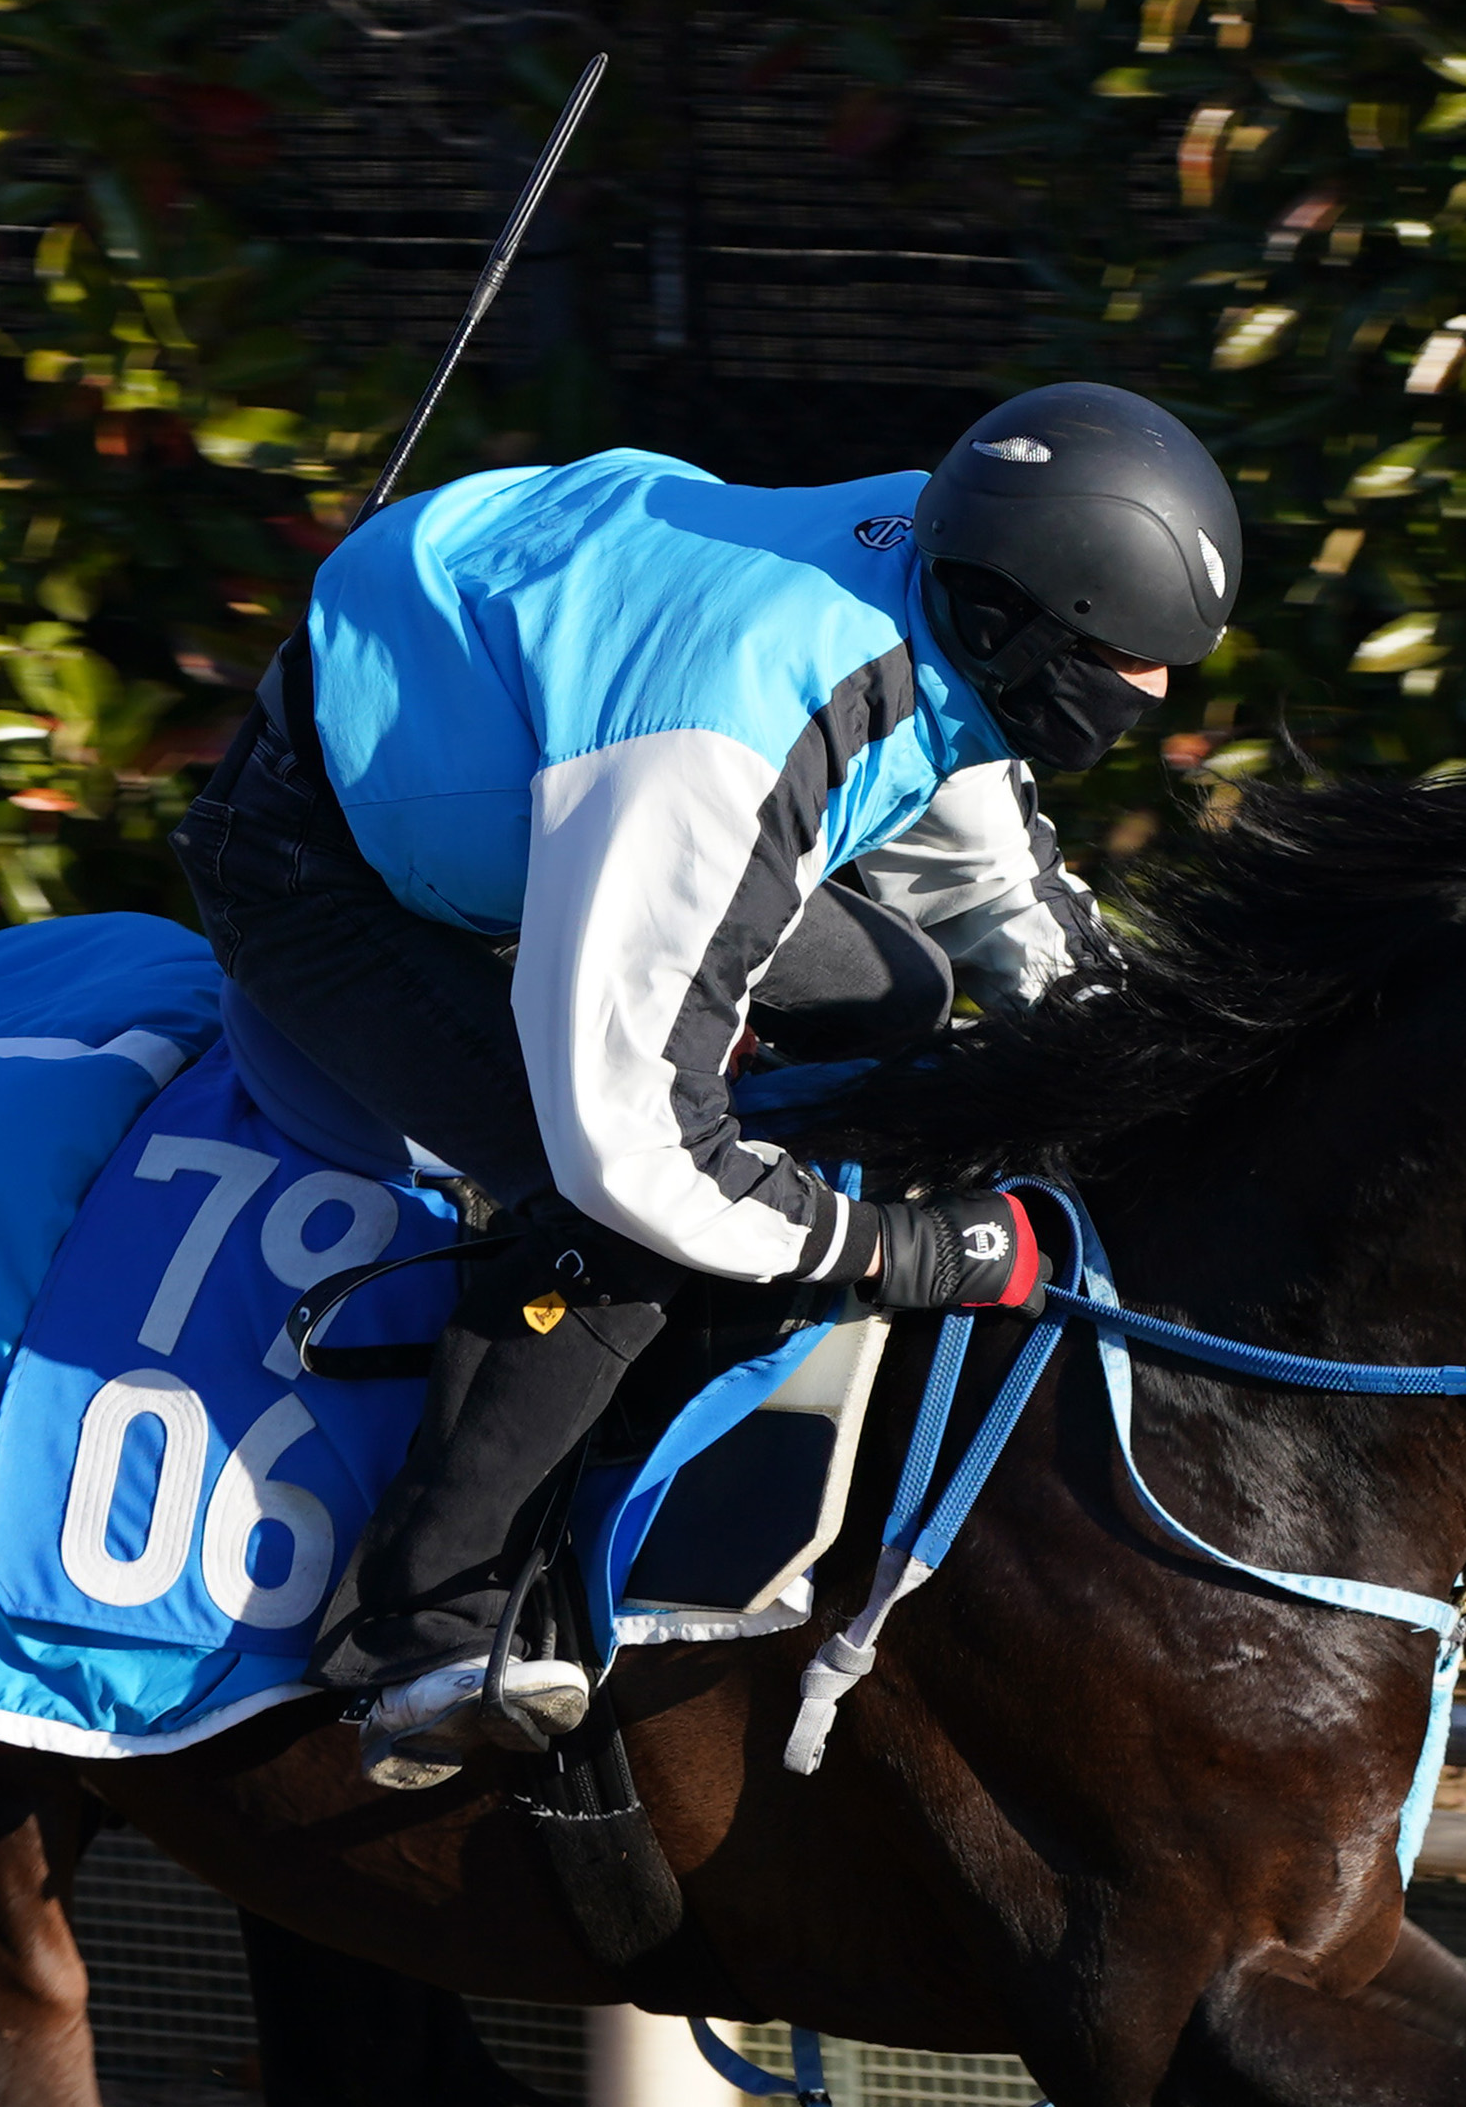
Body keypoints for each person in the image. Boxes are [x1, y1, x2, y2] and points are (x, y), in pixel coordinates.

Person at [171, 379, 1241, 1787]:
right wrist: (911, 1252)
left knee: (902, 992)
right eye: (1122, 660)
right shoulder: (722, 741)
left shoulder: (942, 576)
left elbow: (996, 884)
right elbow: (632, 1152)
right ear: (1002, 619)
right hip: (332, 870)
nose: (1150, 695)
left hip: (538, 756)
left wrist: (1150, 1082)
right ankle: (422, 1625)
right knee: (613, 1216)